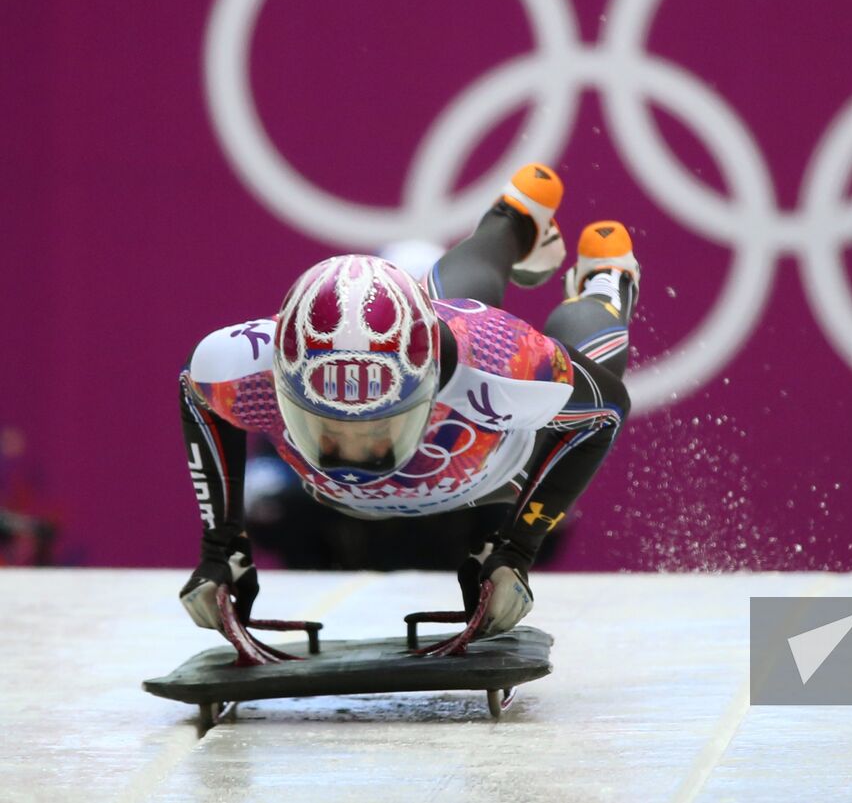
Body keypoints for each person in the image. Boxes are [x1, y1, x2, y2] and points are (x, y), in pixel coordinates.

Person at [176, 163, 639, 638]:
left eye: (377, 428)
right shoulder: (239, 366)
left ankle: (607, 282)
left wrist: (517, 548)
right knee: (456, 300)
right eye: (328, 427)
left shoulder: (501, 365)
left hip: (500, 461)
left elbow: (606, 410)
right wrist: (221, 547)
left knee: (577, 372)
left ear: (429, 383)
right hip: (462, 435)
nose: (354, 453)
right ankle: (517, 215)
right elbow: (196, 394)